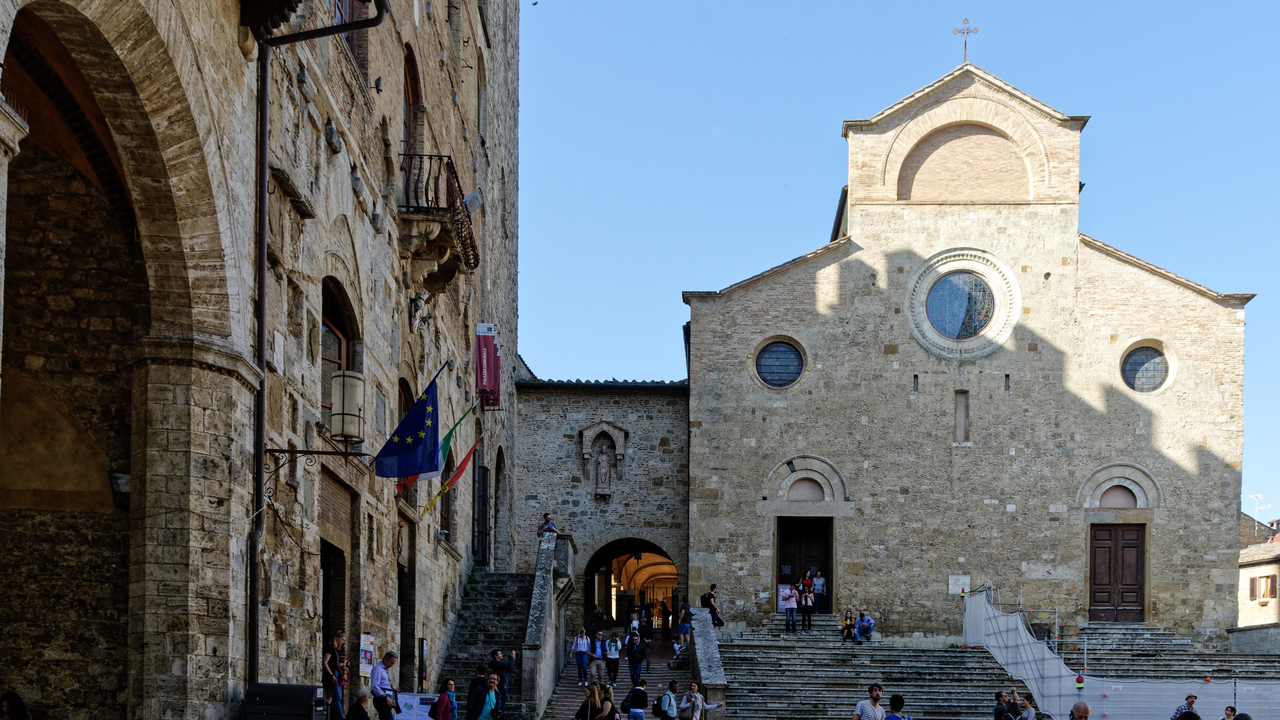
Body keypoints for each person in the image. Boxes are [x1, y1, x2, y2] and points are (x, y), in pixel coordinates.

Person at [323, 632, 350, 718]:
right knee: (336, 698)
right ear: (336, 638)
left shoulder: (334, 649)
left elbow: (334, 664)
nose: (343, 642)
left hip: (335, 674)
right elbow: (325, 662)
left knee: (337, 697)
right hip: (332, 675)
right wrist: (331, 675)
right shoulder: (330, 648)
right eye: (342, 639)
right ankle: (341, 717)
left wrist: (343, 664)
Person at [371, 651, 400, 720]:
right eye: (391, 662)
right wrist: (386, 698)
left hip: (386, 697)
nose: (391, 665)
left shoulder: (384, 670)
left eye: (393, 663)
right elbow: (375, 686)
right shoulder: (378, 669)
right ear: (385, 659)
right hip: (382, 699)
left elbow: (384, 684)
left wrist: (393, 690)